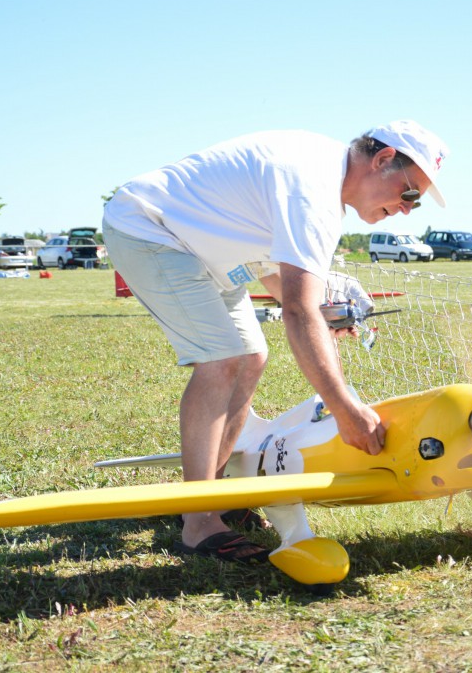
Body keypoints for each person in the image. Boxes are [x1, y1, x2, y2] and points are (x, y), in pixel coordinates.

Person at [102, 120, 449, 563]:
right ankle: (197, 521)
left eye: (415, 203)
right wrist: (344, 408)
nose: (407, 209)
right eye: (409, 193)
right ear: (382, 160)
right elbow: (299, 311)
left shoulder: (322, 179)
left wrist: (324, 316)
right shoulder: (313, 191)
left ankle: (217, 498)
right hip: (149, 228)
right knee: (224, 358)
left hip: (205, 248)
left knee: (252, 357)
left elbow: (281, 280)